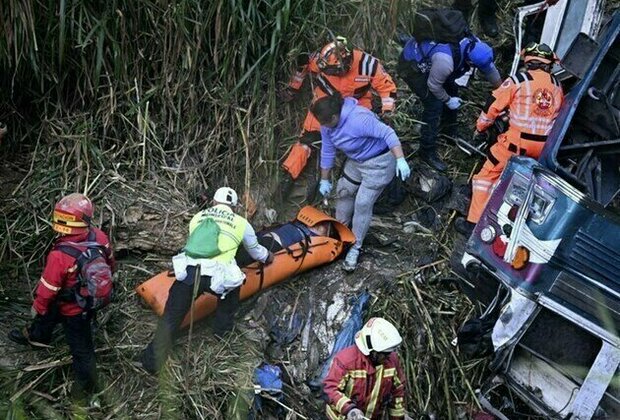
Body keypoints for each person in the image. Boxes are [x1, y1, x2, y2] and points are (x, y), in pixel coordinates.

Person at [140, 187, 274, 374]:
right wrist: (269, 257)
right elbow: (255, 251)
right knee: (231, 293)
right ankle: (221, 335)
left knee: (171, 317)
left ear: (213, 202)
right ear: (234, 206)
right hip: (219, 278)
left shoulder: (198, 218)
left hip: (189, 273)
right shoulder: (241, 223)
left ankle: (150, 362)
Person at [8, 193, 115, 400]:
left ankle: (84, 388)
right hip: (87, 303)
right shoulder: (100, 237)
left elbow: (48, 288)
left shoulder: (60, 255)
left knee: (81, 350)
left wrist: (38, 307)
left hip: (72, 309)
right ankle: (38, 335)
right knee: (50, 320)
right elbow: (110, 264)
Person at [456, 42, 564, 235]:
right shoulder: (557, 87)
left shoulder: (518, 80)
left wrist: (481, 126)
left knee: (485, 178)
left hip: (515, 145)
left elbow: (493, 105)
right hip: (543, 150)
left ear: (528, 61)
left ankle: (473, 225)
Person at [280, 36, 398, 199]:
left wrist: (387, 112)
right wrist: (292, 89)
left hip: (358, 104)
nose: (327, 73)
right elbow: (302, 66)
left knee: (362, 137)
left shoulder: (367, 65)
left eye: (331, 72)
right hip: (325, 103)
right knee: (307, 140)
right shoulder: (321, 60)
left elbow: (387, 88)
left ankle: (354, 168)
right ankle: (288, 177)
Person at [312, 93, 411, 272]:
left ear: (335, 117)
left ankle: (355, 247)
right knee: (343, 192)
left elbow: (388, 133)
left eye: (325, 123)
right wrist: (324, 180)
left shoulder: (358, 119)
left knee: (363, 203)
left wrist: (400, 159)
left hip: (378, 162)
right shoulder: (327, 126)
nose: (323, 127)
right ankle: (340, 229)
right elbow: (327, 151)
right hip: (357, 161)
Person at [398, 35, 502, 171]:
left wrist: (503, 92)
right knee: (434, 105)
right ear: (470, 62)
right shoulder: (445, 62)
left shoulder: (476, 43)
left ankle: (448, 130)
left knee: (452, 89)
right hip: (412, 66)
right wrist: (447, 100)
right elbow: (434, 86)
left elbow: (490, 71)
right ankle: (426, 151)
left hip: (436, 62)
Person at [323, 317, 407, 420]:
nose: (387, 357)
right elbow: (331, 389)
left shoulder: (392, 361)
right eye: (384, 354)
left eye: (388, 353)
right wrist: (349, 409)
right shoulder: (346, 361)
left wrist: (398, 418)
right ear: (371, 350)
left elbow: (397, 392)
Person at [235, 220, 332, 267]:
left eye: (321, 228)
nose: (320, 226)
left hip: (274, 244)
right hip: (267, 239)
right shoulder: (299, 223)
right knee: (239, 257)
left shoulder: (313, 239)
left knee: (242, 260)